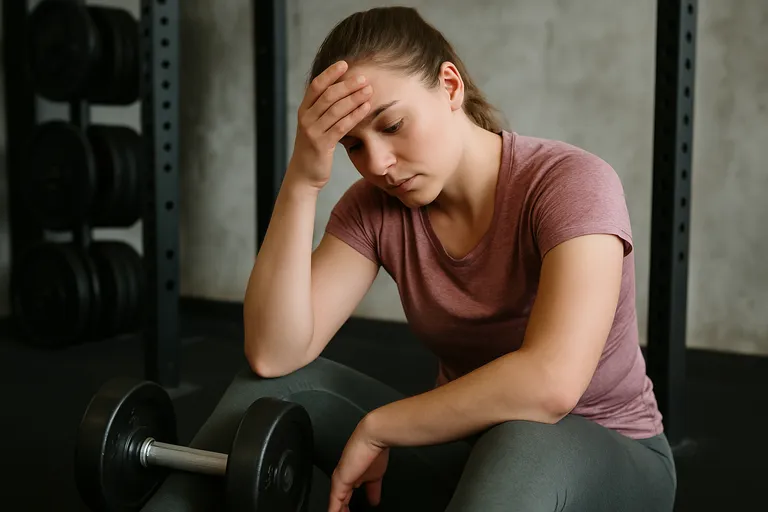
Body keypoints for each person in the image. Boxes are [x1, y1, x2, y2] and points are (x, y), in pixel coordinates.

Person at [142, 6, 676, 512]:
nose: (378, 164)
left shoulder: (569, 183)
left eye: (392, 125)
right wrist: (303, 178)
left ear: (449, 87)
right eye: (352, 145)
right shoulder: (376, 209)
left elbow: (551, 385)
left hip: (608, 461)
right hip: (467, 457)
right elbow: (273, 354)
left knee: (525, 438)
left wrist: (380, 426)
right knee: (273, 391)